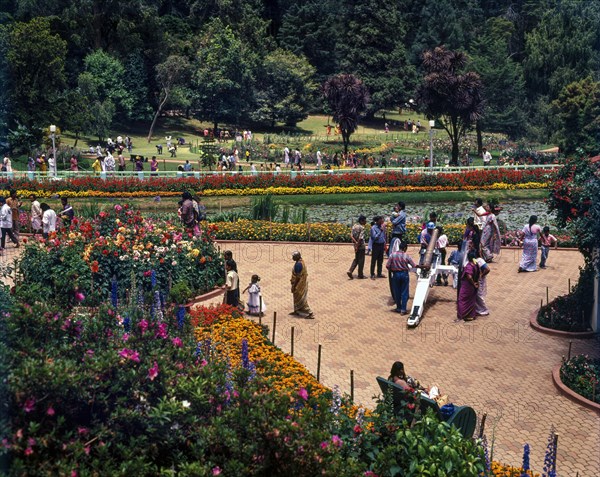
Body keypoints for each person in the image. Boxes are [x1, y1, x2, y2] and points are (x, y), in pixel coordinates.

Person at [386, 241, 417, 314]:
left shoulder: (392, 255)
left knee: (397, 292)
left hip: (395, 274)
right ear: (405, 248)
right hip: (404, 274)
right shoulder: (406, 256)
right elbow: (414, 265)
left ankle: (398, 307)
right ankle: (403, 309)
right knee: (404, 292)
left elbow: (387, 266)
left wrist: (392, 270)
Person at [290, 251, 314, 319]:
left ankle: (310, 312)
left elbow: (298, 277)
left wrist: (294, 285)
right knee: (296, 297)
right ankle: (296, 310)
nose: (292, 258)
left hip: (299, 284)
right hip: (301, 282)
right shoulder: (300, 261)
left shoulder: (298, 264)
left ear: (297, 257)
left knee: (301, 298)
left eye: (293, 257)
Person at [457, 250, 480, 321]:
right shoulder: (476, 264)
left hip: (467, 286)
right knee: (470, 301)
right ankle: (470, 316)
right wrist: (476, 283)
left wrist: (473, 283)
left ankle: (462, 315)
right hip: (472, 287)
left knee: (462, 300)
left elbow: (469, 276)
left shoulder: (469, 266)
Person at [347, 215, 367, 279]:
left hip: (355, 244)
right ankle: (360, 274)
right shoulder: (362, 228)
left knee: (357, 258)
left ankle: (350, 270)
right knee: (361, 260)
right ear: (361, 221)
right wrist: (357, 245)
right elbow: (360, 238)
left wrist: (355, 243)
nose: (366, 221)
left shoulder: (354, 226)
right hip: (361, 245)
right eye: (365, 220)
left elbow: (351, 235)